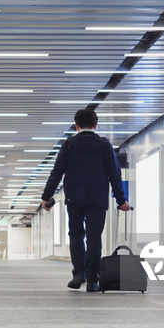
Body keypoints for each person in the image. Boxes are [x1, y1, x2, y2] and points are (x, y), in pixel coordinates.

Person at [41, 108, 131, 292]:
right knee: (93, 238)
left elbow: (56, 172)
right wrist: (121, 200)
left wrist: (46, 197)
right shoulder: (104, 145)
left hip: (74, 198)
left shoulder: (68, 145)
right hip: (97, 199)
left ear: (76, 125)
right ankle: (92, 280)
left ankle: (78, 275)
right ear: (96, 125)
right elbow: (114, 174)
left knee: (75, 235)